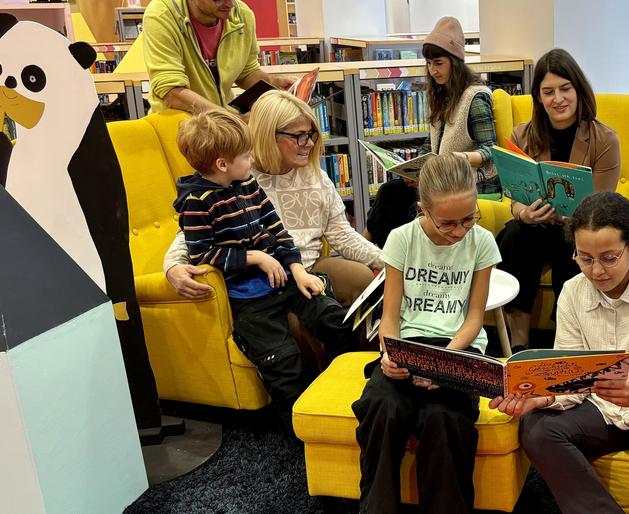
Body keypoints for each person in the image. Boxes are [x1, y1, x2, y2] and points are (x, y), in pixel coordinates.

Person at [491, 192, 629, 514]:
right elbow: (569, 375)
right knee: (538, 427)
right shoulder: (572, 293)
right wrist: (544, 398)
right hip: (599, 409)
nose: (596, 270)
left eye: (609, 257)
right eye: (584, 258)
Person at [171, 110, 356, 427]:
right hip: (249, 300)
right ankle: (304, 428)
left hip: (284, 280)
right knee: (284, 364)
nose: (252, 158)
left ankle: (340, 394)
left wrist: (297, 269)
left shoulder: (248, 185)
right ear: (222, 164)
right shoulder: (197, 202)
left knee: (337, 320)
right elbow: (202, 254)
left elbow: (278, 231)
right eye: (245, 154)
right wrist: (255, 258)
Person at [351, 154, 501, 514]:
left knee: (444, 419)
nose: (460, 230)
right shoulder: (402, 239)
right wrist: (389, 354)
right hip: (406, 345)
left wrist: (445, 360)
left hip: (458, 349)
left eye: (469, 218)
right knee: (382, 407)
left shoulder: (482, 242)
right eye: (448, 223)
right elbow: (390, 316)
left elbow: (475, 318)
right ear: (423, 209)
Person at [164, 91, 381, 307]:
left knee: (361, 279)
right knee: (302, 318)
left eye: (311, 134)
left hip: (310, 264)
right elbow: (190, 233)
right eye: (299, 136)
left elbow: (342, 234)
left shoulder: (317, 177)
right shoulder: (238, 177)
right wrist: (173, 266)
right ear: (269, 135)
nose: (309, 144)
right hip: (266, 276)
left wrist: (390, 260)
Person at [494, 48, 621, 352]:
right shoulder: (522, 134)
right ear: (538, 96)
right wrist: (524, 212)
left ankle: (567, 340)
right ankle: (519, 341)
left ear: (578, 89)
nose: (558, 99)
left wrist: (571, 217)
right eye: (548, 92)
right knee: (515, 235)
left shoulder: (605, 139)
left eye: (565, 89)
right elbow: (514, 197)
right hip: (535, 226)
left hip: (579, 228)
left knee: (575, 246)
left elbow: (605, 202)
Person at [364, 16, 497, 248]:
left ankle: (380, 256)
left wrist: (461, 159)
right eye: (428, 63)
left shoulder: (475, 98)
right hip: (440, 178)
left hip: (466, 182)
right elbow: (432, 143)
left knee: (396, 199)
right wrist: (413, 168)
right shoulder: (442, 97)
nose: (432, 70)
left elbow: (491, 151)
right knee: (391, 190)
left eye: (438, 63)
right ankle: (374, 254)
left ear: (455, 62)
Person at [142, 0, 294, 114]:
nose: (230, 3)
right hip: (179, 124)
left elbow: (246, 72)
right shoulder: (161, 15)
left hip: (224, 122)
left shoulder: (243, 15)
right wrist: (229, 118)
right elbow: (172, 93)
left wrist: (273, 83)